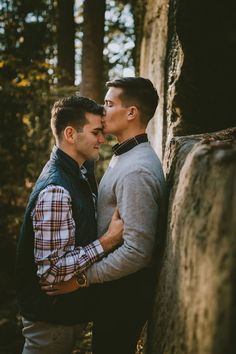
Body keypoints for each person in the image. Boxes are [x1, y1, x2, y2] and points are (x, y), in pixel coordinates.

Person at [43, 77, 167, 354]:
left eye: (110, 104)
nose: (102, 110)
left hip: (124, 295)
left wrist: (81, 279)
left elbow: (138, 251)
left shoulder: (137, 170)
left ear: (131, 113)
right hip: (114, 289)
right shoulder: (126, 155)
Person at [16, 96, 124, 354]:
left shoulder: (80, 170)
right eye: (96, 132)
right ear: (70, 134)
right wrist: (107, 241)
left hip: (63, 317)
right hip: (49, 323)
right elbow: (51, 272)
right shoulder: (57, 190)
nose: (103, 139)